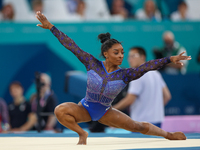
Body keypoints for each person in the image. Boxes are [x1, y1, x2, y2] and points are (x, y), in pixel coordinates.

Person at [35, 11, 191, 144]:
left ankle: (168, 135)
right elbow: (71, 45)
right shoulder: (92, 63)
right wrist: (51, 28)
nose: (121, 56)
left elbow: (147, 66)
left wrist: (169, 59)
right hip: (85, 108)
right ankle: (82, 133)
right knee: (59, 110)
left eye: (122, 52)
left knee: (138, 127)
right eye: (116, 53)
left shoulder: (125, 74)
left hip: (105, 112)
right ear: (106, 54)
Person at [113, 47, 171, 128]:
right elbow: (167, 96)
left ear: (142, 57)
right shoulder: (156, 73)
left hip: (141, 124)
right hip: (157, 121)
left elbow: (129, 100)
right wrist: (154, 110)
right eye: (129, 57)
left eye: (133, 56)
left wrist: (112, 109)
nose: (130, 59)